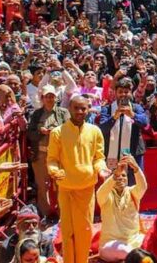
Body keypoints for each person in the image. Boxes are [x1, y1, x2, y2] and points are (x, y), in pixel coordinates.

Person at [46, 95, 110, 263]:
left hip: (86, 188)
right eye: (76, 108)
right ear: (69, 109)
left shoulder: (95, 131)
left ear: (89, 109)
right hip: (66, 188)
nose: (80, 112)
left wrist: (101, 169)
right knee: (68, 231)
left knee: (85, 230)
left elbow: (99, 157)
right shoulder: (57, 132)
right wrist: (54, 171)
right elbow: (52, 159)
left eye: (84, 108)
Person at [26, 85, 69, 219]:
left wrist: (57, 131)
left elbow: (70, 130)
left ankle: (62, 212)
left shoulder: (63, 113)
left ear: (56, 98)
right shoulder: (36, 114)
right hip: (41, 153)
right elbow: (30, 134)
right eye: (47, 96)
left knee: (61, 183)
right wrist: (40, 131)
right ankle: (46, 213)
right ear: (42, 98)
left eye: (52, 96)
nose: (50, 99)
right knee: (41, 185)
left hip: (59, 154)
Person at [97, 155, 147, 261]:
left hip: (134, 241)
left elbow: (143, 187)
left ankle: (135, 257)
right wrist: (115, 174)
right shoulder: (105, 196)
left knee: (154, 242)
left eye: (124, 175)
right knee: (123, 250)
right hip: (111, 245)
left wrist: (136, 168)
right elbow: (101, 191)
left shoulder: (132, 192)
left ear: (128, 179)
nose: (120, 178)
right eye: (117, 176)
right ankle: (136, 257)